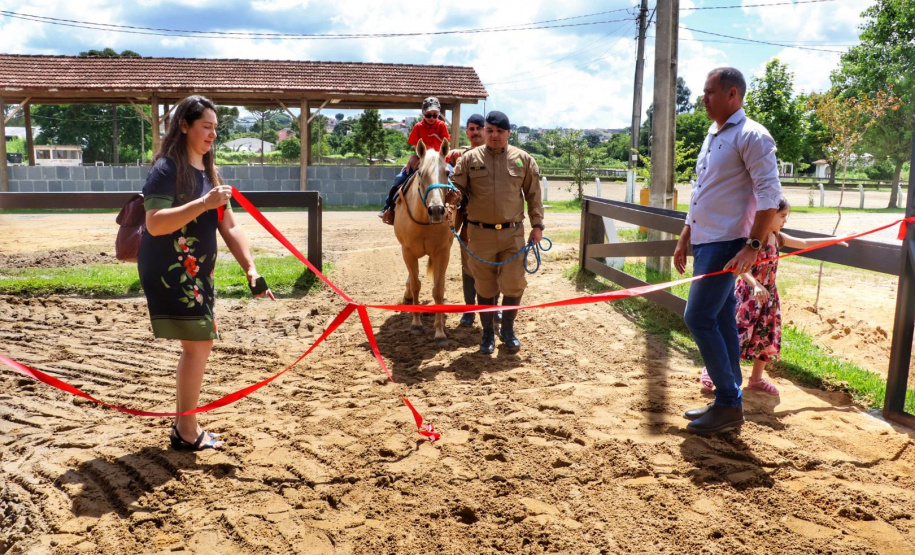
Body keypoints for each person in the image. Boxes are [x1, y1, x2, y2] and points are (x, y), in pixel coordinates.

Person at [139, 95, 274, 451]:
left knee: (198, 344)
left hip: (197, 273)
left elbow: (229, 227)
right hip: (172, 270)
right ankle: (186, 429)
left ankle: (184, 427)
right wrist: (203, 202)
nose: (212, 134)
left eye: (216, 128)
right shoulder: (166, 169)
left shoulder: (210, 173)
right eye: (206, 127)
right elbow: (154, 224)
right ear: (184, 125)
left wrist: (251, 269)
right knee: (199, 343)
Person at [673, 67, 782, 435]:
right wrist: (685, 234)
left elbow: (769, 196)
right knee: (720, 320)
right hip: (706, 240)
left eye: (709, 93)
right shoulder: (712, 135)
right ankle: (728, 395)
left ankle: (729, 404)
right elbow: (700, 189)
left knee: (697, 317)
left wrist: (752, 245)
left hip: (728, 243)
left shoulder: (753, 136)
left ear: (732, 94)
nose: (703, 99)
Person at [699, 197, 848, 396]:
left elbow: (804, 243)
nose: (785, 220)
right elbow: (740, 268)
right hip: (749, 296)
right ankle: (711, 369)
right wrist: (755, 285)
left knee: (767, 336)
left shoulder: (777, 237)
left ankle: (756, 380)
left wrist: (836, 239)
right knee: (735, 334)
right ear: (768, 215)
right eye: (783, 216)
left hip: (769, 296)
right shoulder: (751, 240)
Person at [451, 111, 544, 354]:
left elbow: (534, 196)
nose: (494, 135)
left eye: (499, 132)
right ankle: (487, 333)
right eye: (490, 130)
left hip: (513, 234)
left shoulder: (523, 160)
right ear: (485, 130)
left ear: (508, 133)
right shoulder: (468, 159)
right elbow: (456, 189)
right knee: (485, 286)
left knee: (514, 283)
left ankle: (508, 330)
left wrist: (537, 225)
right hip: (480, 233)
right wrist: (452, 196)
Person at [445, 113, 501, 327]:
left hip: (495, 222)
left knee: (494, 267)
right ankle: (470, 310)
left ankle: (494, 310)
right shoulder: (458, 155)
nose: (476, 132)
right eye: (471, 128)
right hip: (469, 222)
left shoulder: (498, 153)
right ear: (467, 132)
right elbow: (438, 161)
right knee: (468, 267)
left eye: (480, 128)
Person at [379, 97, 451, 224]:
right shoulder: (418, 127)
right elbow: (417, 147)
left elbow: (446, 144)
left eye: (435, 115)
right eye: (429, 115)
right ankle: (388, 207)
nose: (432, 118)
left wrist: (437, 138)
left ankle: (463, 211)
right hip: (423, 160)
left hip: (439, 160)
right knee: (399, 178)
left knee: (455, 177)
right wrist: (416, 158)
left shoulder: (441, 126)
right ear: (423, 113)